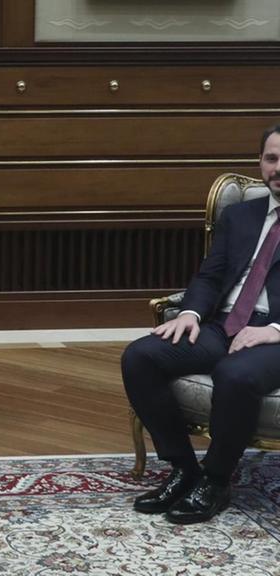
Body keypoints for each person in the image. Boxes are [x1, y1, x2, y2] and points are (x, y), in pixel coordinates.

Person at [122, 125, 280, 524]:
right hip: (222, 324)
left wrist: (273, 330)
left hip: (275, 336)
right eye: (272, 159)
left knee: (235, 375)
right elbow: (210, 275)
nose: (278, 168)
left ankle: (216, 480)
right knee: (141, 356)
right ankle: (183, 469)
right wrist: (190, 314)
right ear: (261, 163)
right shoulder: (241, 214)